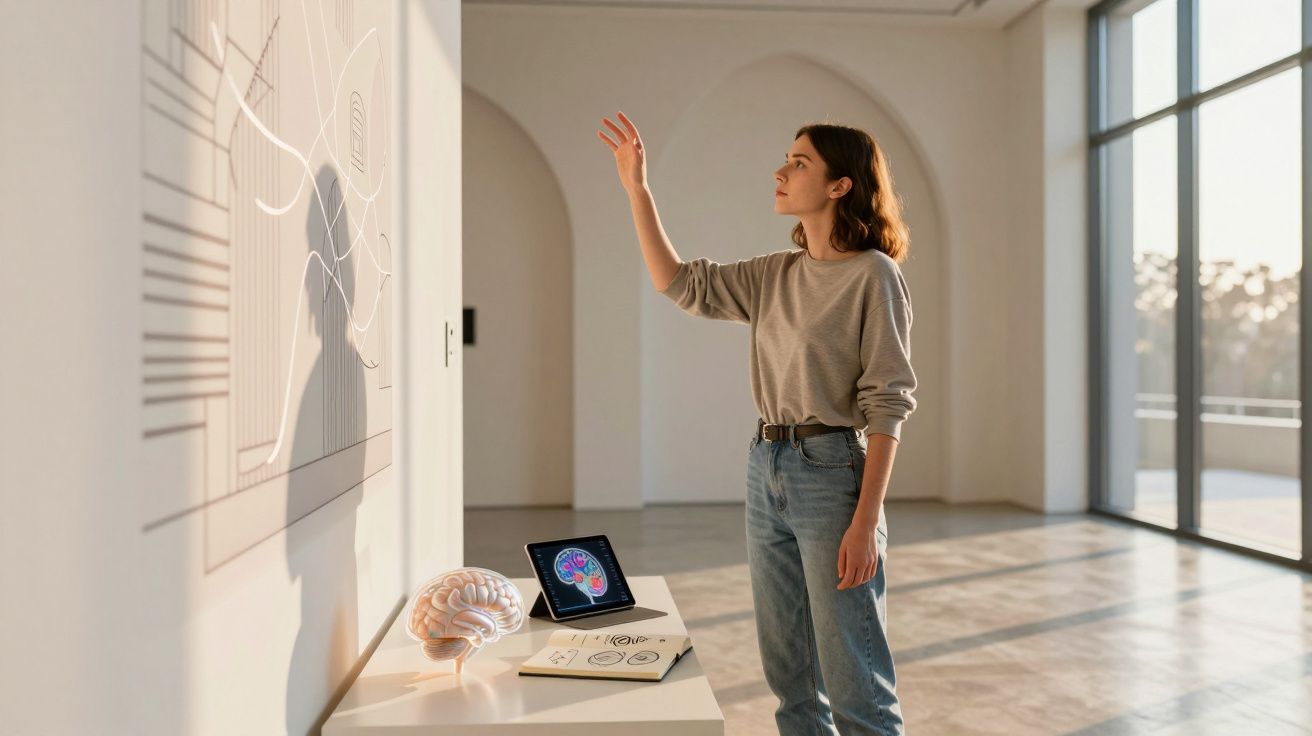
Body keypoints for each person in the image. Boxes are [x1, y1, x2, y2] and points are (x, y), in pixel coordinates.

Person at [597, 111, 917, 735]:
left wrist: (867, 518)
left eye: (799, 163)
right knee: (790, 678)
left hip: (833, 473)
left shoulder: (874, 275)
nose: (780, 170)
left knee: (855, 680)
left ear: (839, 186)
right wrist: (638, 190)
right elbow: (680, 283)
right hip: (765, 463)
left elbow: (888, 403)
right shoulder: (777, 273)